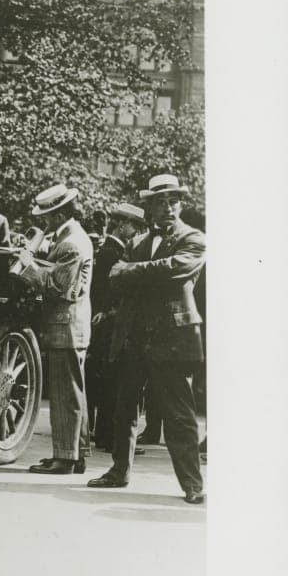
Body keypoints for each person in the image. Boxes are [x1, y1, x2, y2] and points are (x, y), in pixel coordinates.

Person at [88, 174, 207, 504]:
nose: (168, 208)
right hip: (135, 335)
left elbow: (175, 270)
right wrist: (135, 273)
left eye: (173, 201)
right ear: (149, 207)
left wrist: (132, 272)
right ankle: (119, 470)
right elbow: (115, 279)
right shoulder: (138, 241)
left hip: (171, 338)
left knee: (179, 416)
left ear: (181, 205)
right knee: (124, 408)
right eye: (160, 202)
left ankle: (192, 484)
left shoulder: (194, 237)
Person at [10, 184, 95, 475]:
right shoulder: (72, 237)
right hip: (71, 326)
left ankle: (65, 459)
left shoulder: (72, 243)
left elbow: (57, 286)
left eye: (47, 217)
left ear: (59, 215)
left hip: (66, 326)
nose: (44, 222)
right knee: (73, 393)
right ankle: (74, 454)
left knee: (64, 395)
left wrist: (27, 265)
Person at [87, 202, 148, 450]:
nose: (137, 233)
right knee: (111, 381)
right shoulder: (113, 252)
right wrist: (108, 312)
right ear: (123, 226)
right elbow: (105, 289)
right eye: (135, 228)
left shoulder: (111, 249)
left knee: (109, 380)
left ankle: (105, 434)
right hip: (109, 323)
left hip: (107, 321)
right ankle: (109, 436)